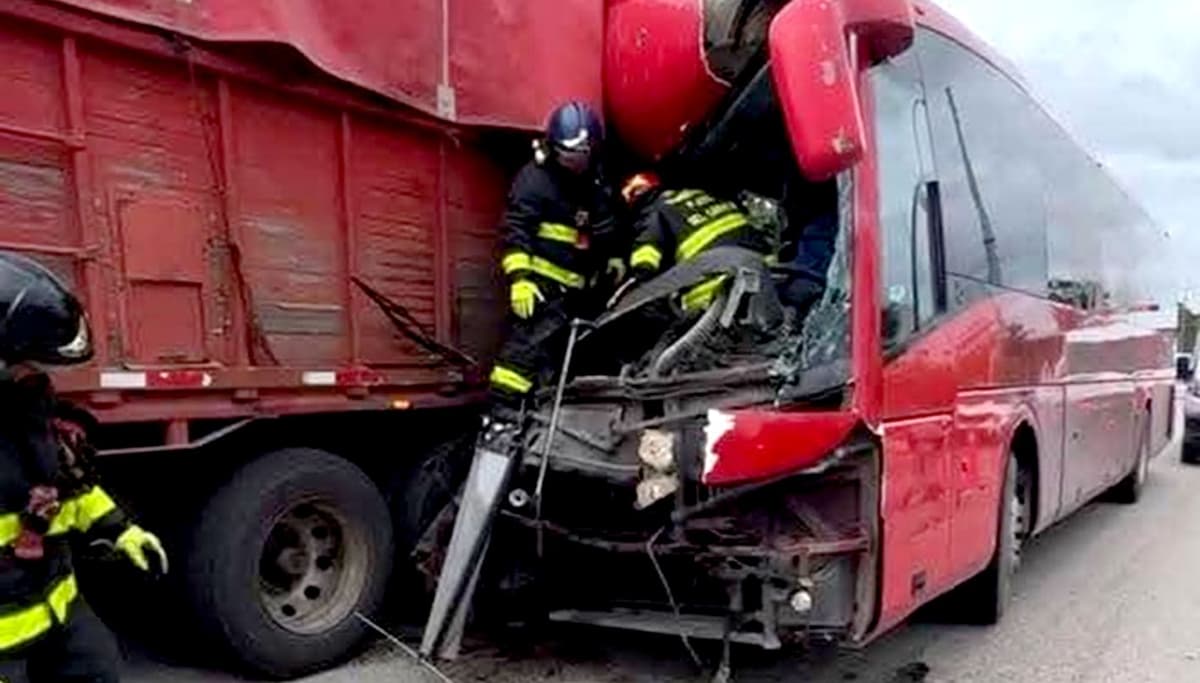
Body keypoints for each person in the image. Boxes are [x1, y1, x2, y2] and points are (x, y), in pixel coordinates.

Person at [0, 253, 167, 683]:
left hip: (59, 610)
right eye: (27, 364)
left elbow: (67, 485)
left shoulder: (26, 412)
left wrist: (119, 529)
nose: (38, 376)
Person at [487, 101, 621, 410]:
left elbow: (603, 223)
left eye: (582, 156)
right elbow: (516, 230)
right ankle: (499, 421)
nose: (575, 162)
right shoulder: (534, 181)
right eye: (569, 155)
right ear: (554, 147)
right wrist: (520, 279)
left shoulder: (593, 182)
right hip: (542, 291)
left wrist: (613, 255)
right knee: (519, 362)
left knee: (567, 367)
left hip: (580, 296)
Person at [621, 172, 768, 314]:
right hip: (760, 258)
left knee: (694, 306)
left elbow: (647, 247)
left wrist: (642, 275)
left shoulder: (654, 210)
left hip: (718, 277)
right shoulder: (698, 192)